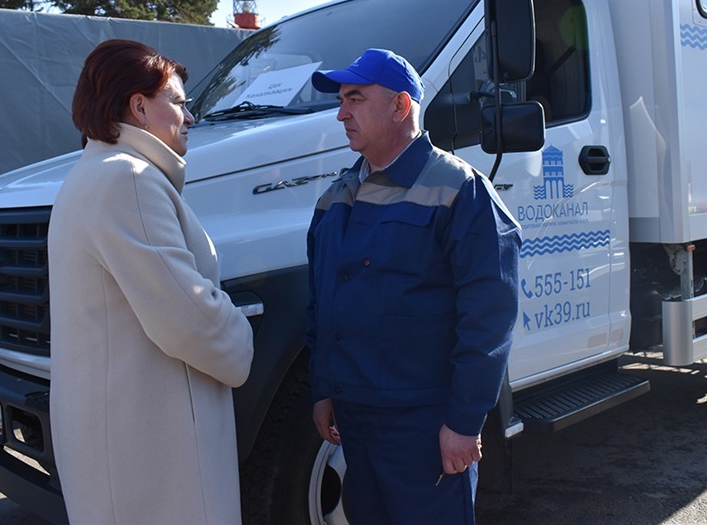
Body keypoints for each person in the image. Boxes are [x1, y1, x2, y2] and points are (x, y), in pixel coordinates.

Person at [305, 48, 520, 524]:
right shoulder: (335, 198)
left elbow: (489, 318)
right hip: (357, 420)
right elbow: (323, 305)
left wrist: (463, 423)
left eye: (355, 99)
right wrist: (324, 389)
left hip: (425, 426)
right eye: (341, 100)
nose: (341, 113)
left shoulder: (459, 190)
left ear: (401, 107)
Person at [48, 39, 254, 525]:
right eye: (180, 103)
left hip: (124, 439)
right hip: (154, 447)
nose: (191, 117)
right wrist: (243, 336)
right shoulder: (130, 180)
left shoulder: (93, 172)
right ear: (139, 107)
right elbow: (188, 317)